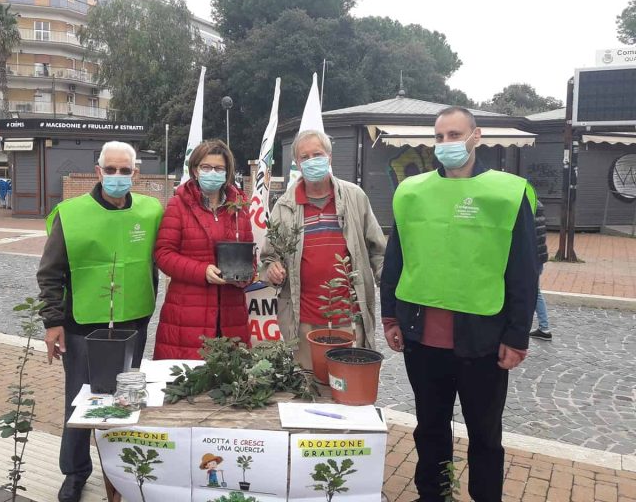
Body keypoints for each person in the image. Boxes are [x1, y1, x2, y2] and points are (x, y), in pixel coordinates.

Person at [380, 107, 538, 502]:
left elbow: (523, 269)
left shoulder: (506, 194)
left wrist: (517, 335)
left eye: (454, 134)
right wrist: (390, 317)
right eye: (439, 137)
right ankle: (432, 494)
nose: (446, 143)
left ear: (476, 136)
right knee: (430, 428)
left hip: (483, 340)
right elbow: (396, 258)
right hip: (422, 337)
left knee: (485, 434)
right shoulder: (412, 192)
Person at [37, 141, 163, 502]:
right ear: (98, 172)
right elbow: (50, 272)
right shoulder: (70, 214)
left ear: (135, 173)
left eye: (125, 170)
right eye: (111, 170)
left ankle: (121, 470)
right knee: (79, 401)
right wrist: (53, 322)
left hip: (133, 324)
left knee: (125, 400)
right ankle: (75, 472)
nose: (117, 176)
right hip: (82, 325)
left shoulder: (151, 211)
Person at [261, 129, 386, 369]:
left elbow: (378, 251)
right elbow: (269, 258)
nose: (311, 161)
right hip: (303, 322)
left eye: (317, 154)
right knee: (308, 385)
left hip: (349, 319)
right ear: (297, 163)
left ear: (329, 157)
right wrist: (272, 269)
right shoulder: (284, 206)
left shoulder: (355, 197)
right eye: (304, 157)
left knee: (348, 385)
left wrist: (393, 293)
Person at [153, 139, 253, 359]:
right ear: (195, 170)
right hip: (187, 314)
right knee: (188, 375)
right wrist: (202, 271)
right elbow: (163, 254)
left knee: (230, 375)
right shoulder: (178, 205)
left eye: (219, 168)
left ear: (227, 173)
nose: (212, 173)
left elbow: (249, 256)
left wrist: (245, 275)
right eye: (206, 167)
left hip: (231, 315)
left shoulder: (239, 208)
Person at [530, 199, 552, 340]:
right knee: (535, 292)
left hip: (532, 257)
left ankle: (544, 328)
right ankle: (544, 327)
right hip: (539, 255)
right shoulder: (537, 204)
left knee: (534, 293)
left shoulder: (528, 205)